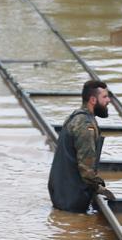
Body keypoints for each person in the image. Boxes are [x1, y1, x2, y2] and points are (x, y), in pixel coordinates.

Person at [48, 79, 117, 213]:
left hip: (61, 193)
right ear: (93, 100)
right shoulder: (86, 126)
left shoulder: (75, 116)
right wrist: (100, 188)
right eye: (104, 97)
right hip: (71, 198)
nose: (108, 100)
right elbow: (86, 167)